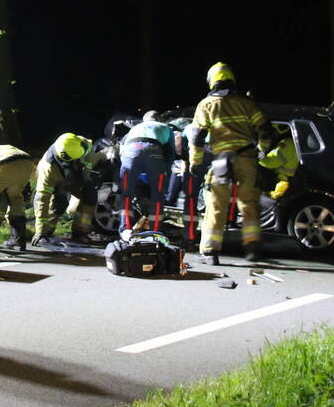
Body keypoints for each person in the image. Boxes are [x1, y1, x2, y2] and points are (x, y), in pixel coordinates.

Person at [191, 62, 273, 265]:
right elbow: (265, 128)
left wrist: (195, 162)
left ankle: (210, 252)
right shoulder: (246, 103)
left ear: (212, 81)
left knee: (217, 204)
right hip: (247, 159)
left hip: (221, 161)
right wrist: (262, 150)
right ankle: (252, 248)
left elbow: (197, 137)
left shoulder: (206, 105)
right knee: (249, 204)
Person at [31, 133, 103, 245]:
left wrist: (86, 176)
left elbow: (89, 157)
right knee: (58, 204)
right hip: (57, 177)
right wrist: (39, 231)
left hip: (75, 174)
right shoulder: (48, 169)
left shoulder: (82, 144)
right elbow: (42, 199)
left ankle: (81, 231)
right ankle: (46, 231)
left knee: (90, 196)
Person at [117, 111, 177, 239]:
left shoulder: (135, 128)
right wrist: (164, 172)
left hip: (130, 153)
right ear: (159, 119)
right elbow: (171, 153)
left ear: (145, 120)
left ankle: (125, 230)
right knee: (157, 195)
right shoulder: (166, 127)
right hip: (154, 152)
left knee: (126, 194)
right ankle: (155, 231)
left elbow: (122, 150)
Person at [258, 122, 299, 200]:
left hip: (283, 182)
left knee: (266, 200)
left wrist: (259, 158)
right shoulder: (291, 142)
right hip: (288, 180)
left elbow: (271, 162)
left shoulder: (286, 144)